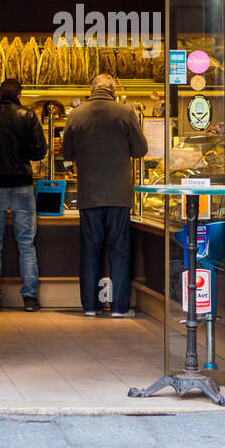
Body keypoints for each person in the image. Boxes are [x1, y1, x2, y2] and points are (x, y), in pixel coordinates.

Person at [60, 73, 148, 317]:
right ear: (112, 88)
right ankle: (119, 308)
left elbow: (66, 152)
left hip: (89, 194)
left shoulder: (76, 115)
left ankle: (90, 306)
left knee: (90, 250)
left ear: (92, 89)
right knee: (119, 250)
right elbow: (141, 150)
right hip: (119, 194)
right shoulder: (125, 112)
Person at [0, 78, 47, 312]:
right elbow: (39, 152)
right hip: (22, 186)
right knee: (27, 244)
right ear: (19, 95)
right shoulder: (27, 116)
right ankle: (29, 299)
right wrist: (21, 152)